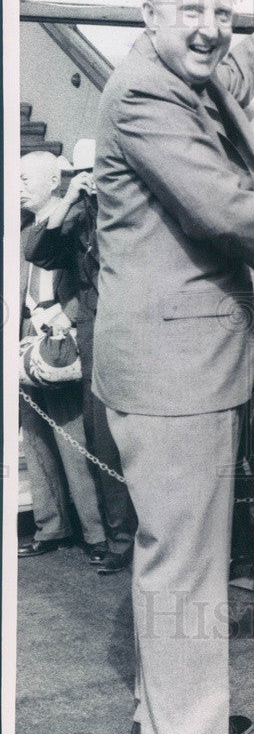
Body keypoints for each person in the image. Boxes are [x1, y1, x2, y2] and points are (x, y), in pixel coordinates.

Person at [92, 0, 254, 734]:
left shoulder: (178, 69)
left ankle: (173, 716)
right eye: (190, 10)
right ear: (148, 14)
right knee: (184, 564)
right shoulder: (147, 96)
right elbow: (221, 207)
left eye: (222, 12)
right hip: (174, 366)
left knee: (185, 554)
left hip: (180, 359)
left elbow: (238, 63)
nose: (210, 29)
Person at [23, 145, 136, 574]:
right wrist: (71, 200)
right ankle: (120, 540)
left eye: (100, 172)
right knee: (102, 442)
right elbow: (35, 247)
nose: (95, 181)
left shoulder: (131, 215)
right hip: (96, 344)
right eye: (86, 174)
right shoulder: (77, 223)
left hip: (138, 342)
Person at [18, 150, 108, 561]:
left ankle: (96, 532)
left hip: (64, 339)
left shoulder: (71, 219)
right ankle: (51, 526)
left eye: (25, 179)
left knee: (73, 439)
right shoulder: (25, 230)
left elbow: (85, 280)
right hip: (29, 342)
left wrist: (66, 321)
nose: (18, 188)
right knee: (34, 436)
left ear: (54, 180)